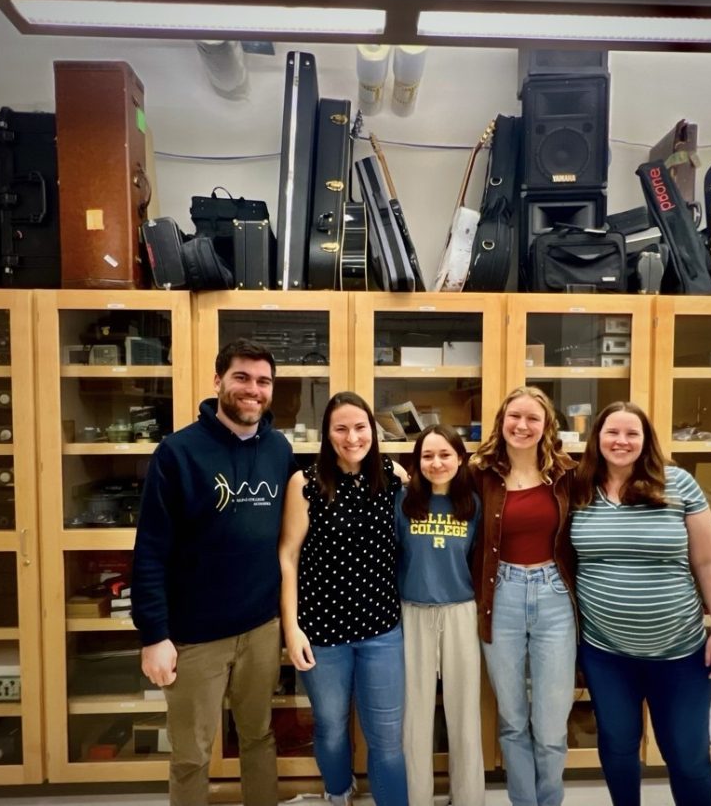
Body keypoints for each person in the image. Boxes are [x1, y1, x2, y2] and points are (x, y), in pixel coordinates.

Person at [132, 339, 295, 806]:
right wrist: (154, 635)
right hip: (195, 638)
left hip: (261, 628)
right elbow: (150, 551)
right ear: (218, 380)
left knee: (259, 737)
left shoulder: (279, 449)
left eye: (263, 381)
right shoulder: (177, 452)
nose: (253, 389)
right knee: (191, 754)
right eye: (242, 377)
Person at [569, 401, 711, 806]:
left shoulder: (677, 483)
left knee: (688, 754)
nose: (621, 441)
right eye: (612, 432)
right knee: (618, 746)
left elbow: (709, 562)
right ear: (597, 438)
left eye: (632, 433)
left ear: (646, 440)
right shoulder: (578, 487)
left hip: (681, 652)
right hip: (606, 653)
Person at [279, 391, 408, 806]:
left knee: (386, 737)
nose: (352, 438)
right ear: (327, 433)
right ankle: (338, 792)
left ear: (373, 430)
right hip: (322, 633)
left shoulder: (393, 476)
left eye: (360, 427)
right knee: (332, 727)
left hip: (382, 631)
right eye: (341, 429)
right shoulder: (305, 483)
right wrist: (291, 628)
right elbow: (288, 556)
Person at [469, 386, 578, 806]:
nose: (522, 425)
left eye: (533, 418)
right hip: (501, 597)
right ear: (502, 422)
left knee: (550, 726)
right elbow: (436, 485)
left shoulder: (567, 473)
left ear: (547, 425)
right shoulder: (479, 474)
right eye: (515, 416)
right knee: (513, 720)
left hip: (554, 596)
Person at [396, 424, 485, 806]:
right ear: (416, 461)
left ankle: (467, 797)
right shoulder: (402, 502)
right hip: (412, 612)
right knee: (413, 714)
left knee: (464, 711)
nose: (436, 463)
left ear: (460, 458)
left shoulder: (473, 505)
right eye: (427, 456)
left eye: (445, 454)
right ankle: (416, 797)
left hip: (460, 612)